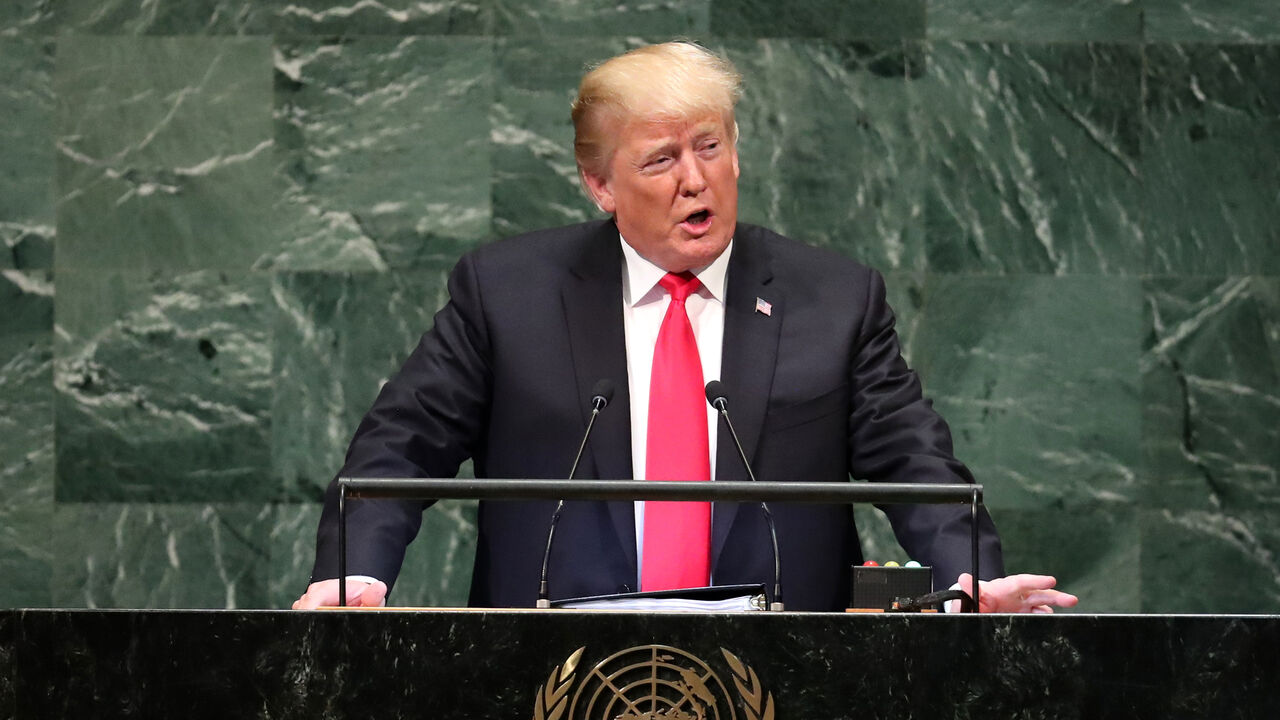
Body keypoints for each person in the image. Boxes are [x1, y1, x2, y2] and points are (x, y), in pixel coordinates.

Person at [293, 42, 1077, 613]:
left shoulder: (835, 299)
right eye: (661, 159)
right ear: (599, 184)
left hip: (784, 677)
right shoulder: (507, 294)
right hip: (558, 677)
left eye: (710, 146)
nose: (695, 179)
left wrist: (967, 573)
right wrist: (355, 571)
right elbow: (399, 448)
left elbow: (913, 460)